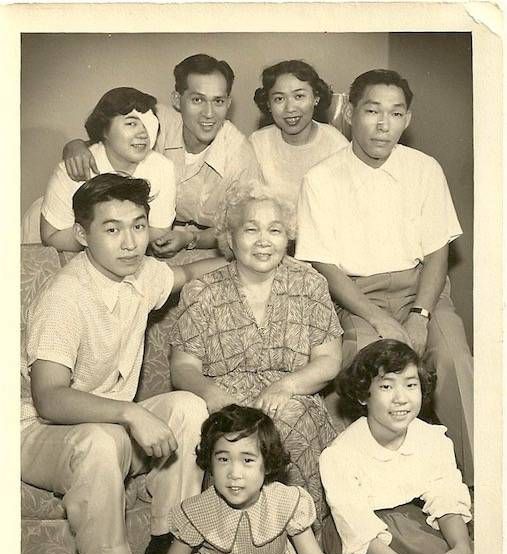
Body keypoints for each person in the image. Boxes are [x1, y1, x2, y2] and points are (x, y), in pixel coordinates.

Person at [21, 173, 227, 554]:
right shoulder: (65, 297)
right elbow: (49, 398)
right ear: (82, 234)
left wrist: (247, 257)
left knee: (189, 407)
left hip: (112, 426)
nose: (130, 242)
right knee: (99, 439)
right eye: (112, 230)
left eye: (138, 225)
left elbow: (187, 272)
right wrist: (132, 414)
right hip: (39, 435)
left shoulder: (142, 273)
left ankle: (167, 539)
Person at [295, 69, 474, 485]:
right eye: (372, 111)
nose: (382, 124)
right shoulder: (320, 179)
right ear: (350, 113)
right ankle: (368, 487)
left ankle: (475, 486)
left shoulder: (425, 169)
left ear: (407, 120)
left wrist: (420, 314)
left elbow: (436, 254)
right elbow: (327, 267)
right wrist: (380, 318)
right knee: (366, 364)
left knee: (454, 361)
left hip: (422, 289)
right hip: (358, 295)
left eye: (395, 113)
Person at [169, 182, 343, 529]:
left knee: (288, 425)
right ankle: (232, 544)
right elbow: (183, 367)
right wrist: (213, 395)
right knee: (236, 440)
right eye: (251, 229)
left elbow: (329, 360)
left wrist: (286, 386)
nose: (264, 240)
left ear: (287, 238)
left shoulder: (309, 284)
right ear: (230, 239)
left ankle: (299, 545)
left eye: (275, 230)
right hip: (225, 401)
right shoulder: (202, 290)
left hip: (290, 395)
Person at [320, 339, 474, 554]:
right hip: (371, 545)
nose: (401, 398)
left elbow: (446, 496)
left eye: (411, 384)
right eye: (387, 386)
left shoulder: (433, 439)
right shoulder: (339, 455)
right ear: (362, 395)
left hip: (417, 522)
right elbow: (360, 532)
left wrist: (461, 548)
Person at [146, 404, 345, 554]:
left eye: (247, 460)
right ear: (210, 463)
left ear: (267, 464)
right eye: (223, 459)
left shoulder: (287, 501)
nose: (234, 473)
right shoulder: (196, 511)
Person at [62, 54, 259, 257]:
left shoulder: (241, 156)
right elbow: (105, 141)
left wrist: (191, 238)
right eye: (197, 99)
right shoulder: (155, 121)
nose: (208, 113)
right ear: (177, 100)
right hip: (132, 232)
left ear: (228, 103)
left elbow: (243, 229)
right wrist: (74, 146)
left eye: (218, 101)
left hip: (203, 245)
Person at [39, 86, 176, 251]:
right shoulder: (76, 164)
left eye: (149, 124)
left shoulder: (163, 167)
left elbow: (160, 230)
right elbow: (51, 236)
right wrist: (107, 240)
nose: (143, 133)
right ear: (104, 129)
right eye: (131, 123)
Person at [251, 59, 348, 208]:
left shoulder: (337, 145)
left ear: (316, 98)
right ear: (269, 104)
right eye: (279, 99)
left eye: (299, 96)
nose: (290, 108)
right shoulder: (258, 143)